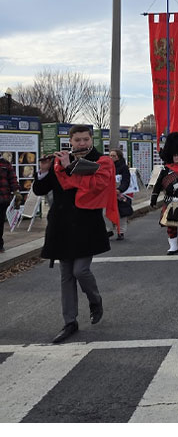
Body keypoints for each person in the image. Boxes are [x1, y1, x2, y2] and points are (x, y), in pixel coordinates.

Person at [33, 124, 117, 344]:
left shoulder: (102, 161)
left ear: (91, 140)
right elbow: (40, 190)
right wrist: (43, 170)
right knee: (66, 275)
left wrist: (68, 167)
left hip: (87, 226)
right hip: (61, 225)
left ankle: (95, 299)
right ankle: (70, 321)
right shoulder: (60, 161)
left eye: (85, 139)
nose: (82, 143)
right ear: (70, 141)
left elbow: (96, 186)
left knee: (80, 270)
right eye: (77, 140)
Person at [109, 148, 132, 240]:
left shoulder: (124, 167)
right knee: (107, 212)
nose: (111, 157)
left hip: (121, 193)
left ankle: (121, 232)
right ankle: (108, 230)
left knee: (121, 213)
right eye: (110, 155)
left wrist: (120, 190)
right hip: (108, 192)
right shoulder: (107, 167)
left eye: (113, 156)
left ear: (118, 157)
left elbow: (126, 180)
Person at [0, 153, 20, 252]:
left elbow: (13, 179)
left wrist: (16, 192)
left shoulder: (5, 163)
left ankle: (0, 245)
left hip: (2, 199)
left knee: (0, 222)